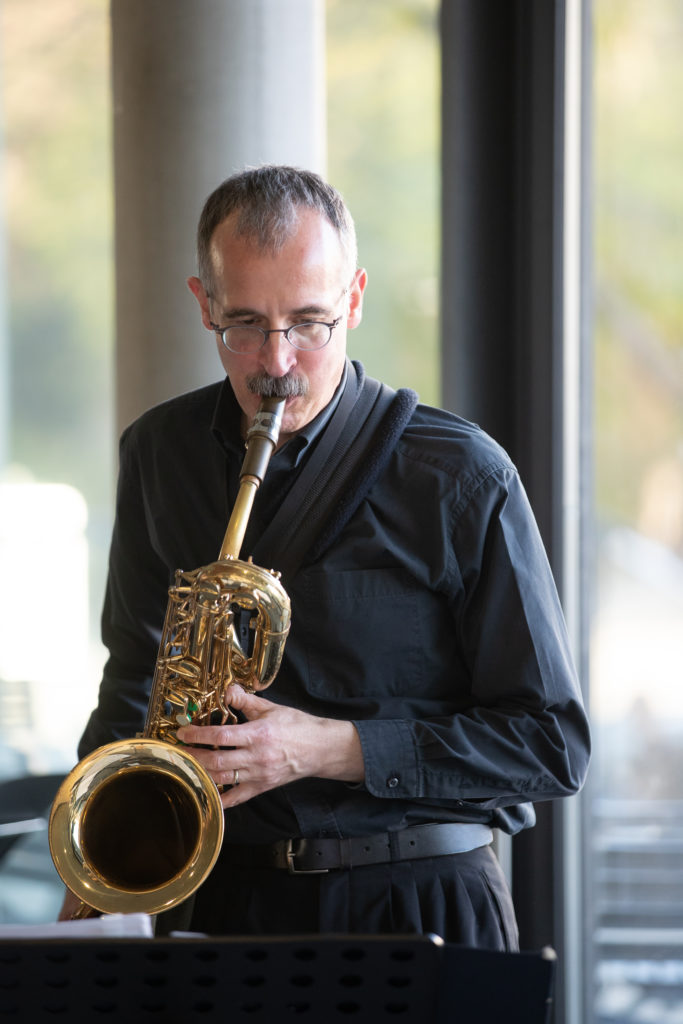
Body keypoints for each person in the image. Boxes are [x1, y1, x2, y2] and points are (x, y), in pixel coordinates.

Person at [62, 165, 590, 947]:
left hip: (415, 906)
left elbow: (551, 744)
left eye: (309, 323)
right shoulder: (158, 453)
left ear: (354, 298)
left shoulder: (459, 475)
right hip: (218, 909)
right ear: (202, 303)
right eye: (243, 324)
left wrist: (334, 748)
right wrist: (96, 877)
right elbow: (133, 681)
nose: (276, 364)